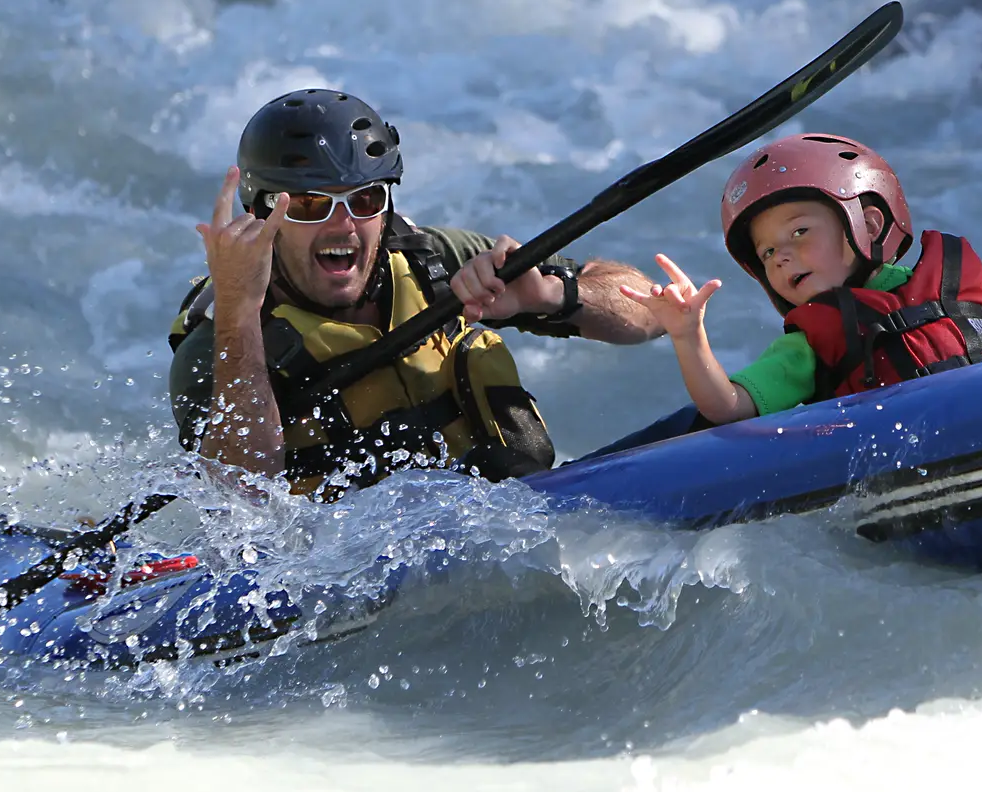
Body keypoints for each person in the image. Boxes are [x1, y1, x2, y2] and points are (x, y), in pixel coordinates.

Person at [168, 88, 662, 500]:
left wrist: (551, 295)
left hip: (500, 524)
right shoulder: (217, 346)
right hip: (350, 583)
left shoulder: (437, 261)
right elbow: (238, 513)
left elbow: (654, 312)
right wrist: (239, 314)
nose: (344, 224)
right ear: (260, 215)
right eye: (310, 203)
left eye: (365, 198)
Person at [620, 133, 982, 424]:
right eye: (768, 251)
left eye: (799, 232)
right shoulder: (810, 342)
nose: (782, 257)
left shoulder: (961, 288)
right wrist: (687, 335)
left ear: (868, 226)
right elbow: (727, 407)